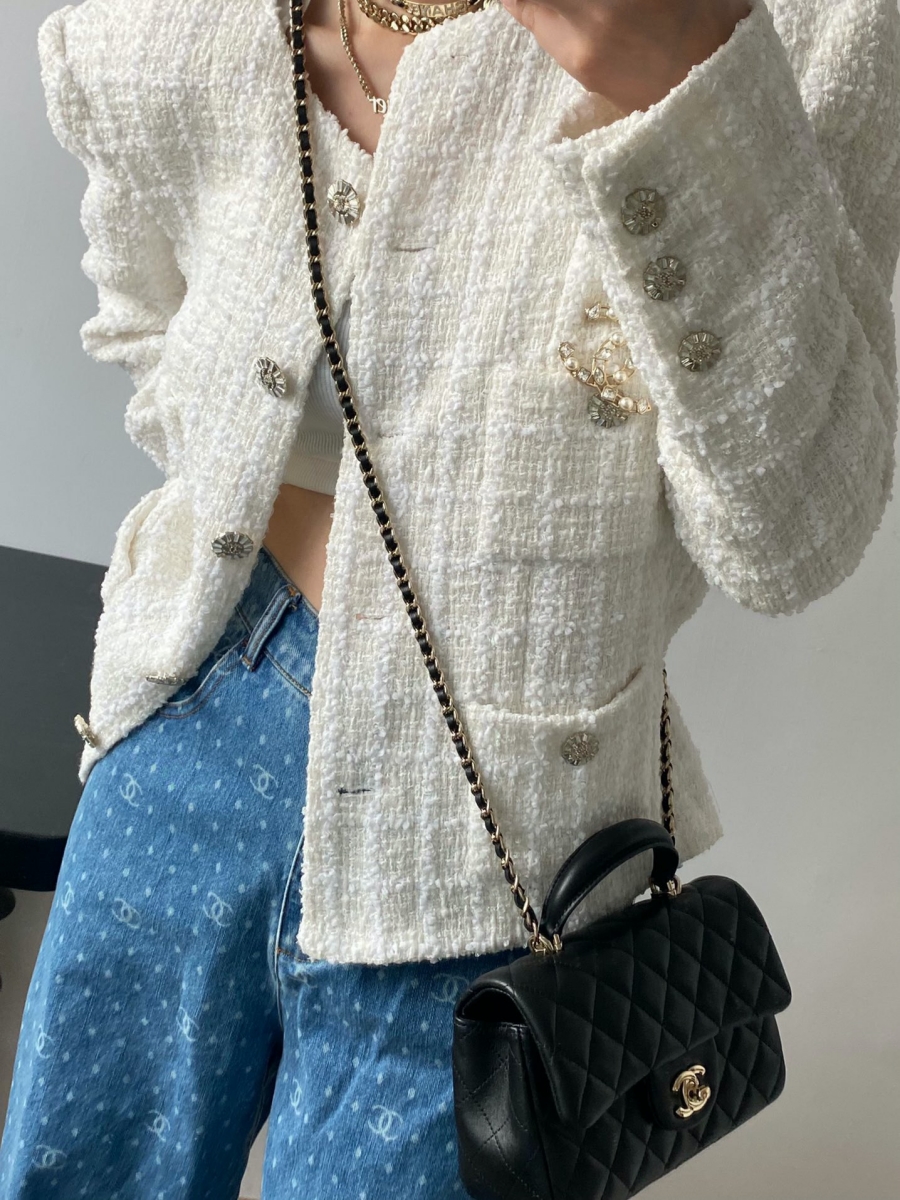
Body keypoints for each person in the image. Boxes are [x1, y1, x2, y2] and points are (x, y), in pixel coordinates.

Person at [3, 0, 899, 1196]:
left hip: (493, 838)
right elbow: (143, 311)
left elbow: (793, 536)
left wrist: (681, 89)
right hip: (192, 712)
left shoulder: (811, 21)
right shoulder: (181, 26)